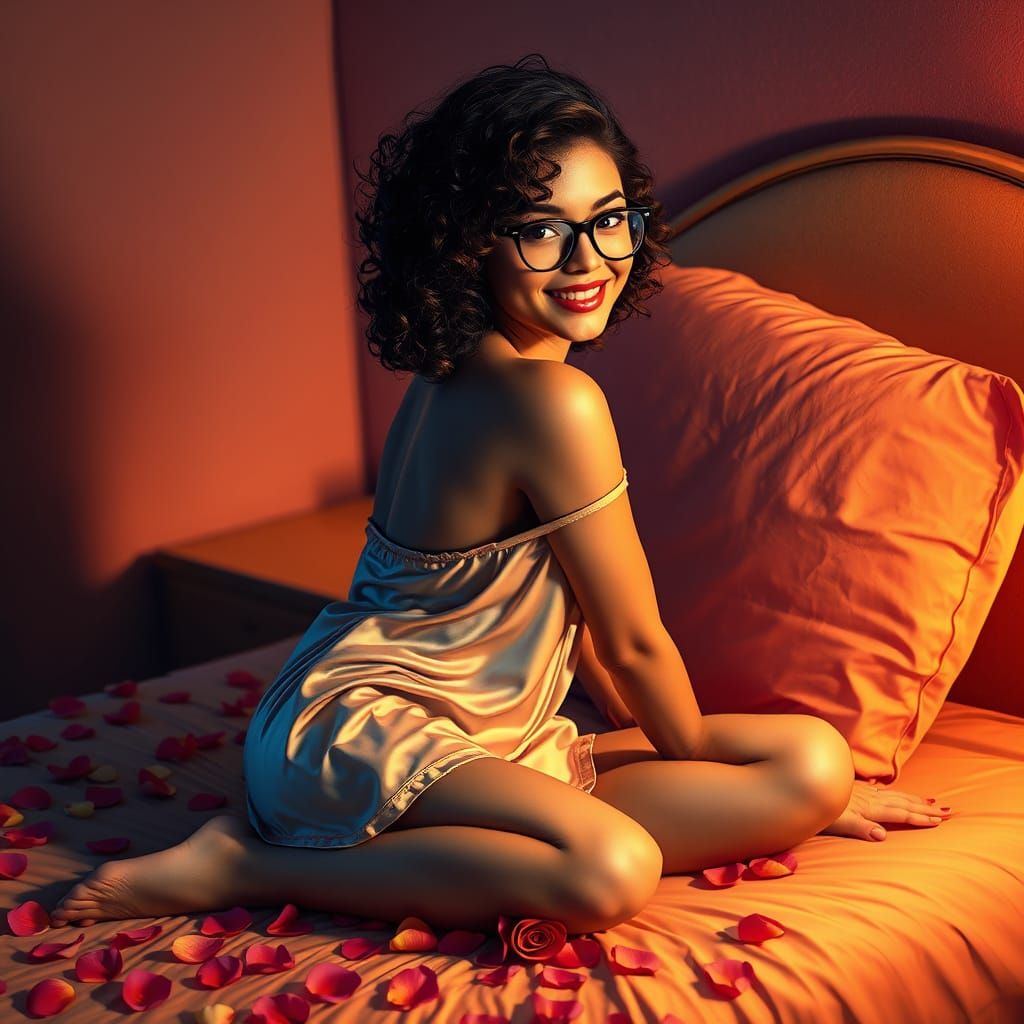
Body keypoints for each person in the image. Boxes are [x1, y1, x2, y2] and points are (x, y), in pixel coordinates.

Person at [49, 54, 949, 934]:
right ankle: (243, 864)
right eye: (540, 229)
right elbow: (633, 644)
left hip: (487, 735)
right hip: (370, 730)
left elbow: (573, 625)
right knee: (615, 869)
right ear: (466, 241)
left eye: (609, 220)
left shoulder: (463, 375)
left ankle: (502, 828)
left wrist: (780, 800)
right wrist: (712, 773)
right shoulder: (549, 402)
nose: (588, 259)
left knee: (816, 763)